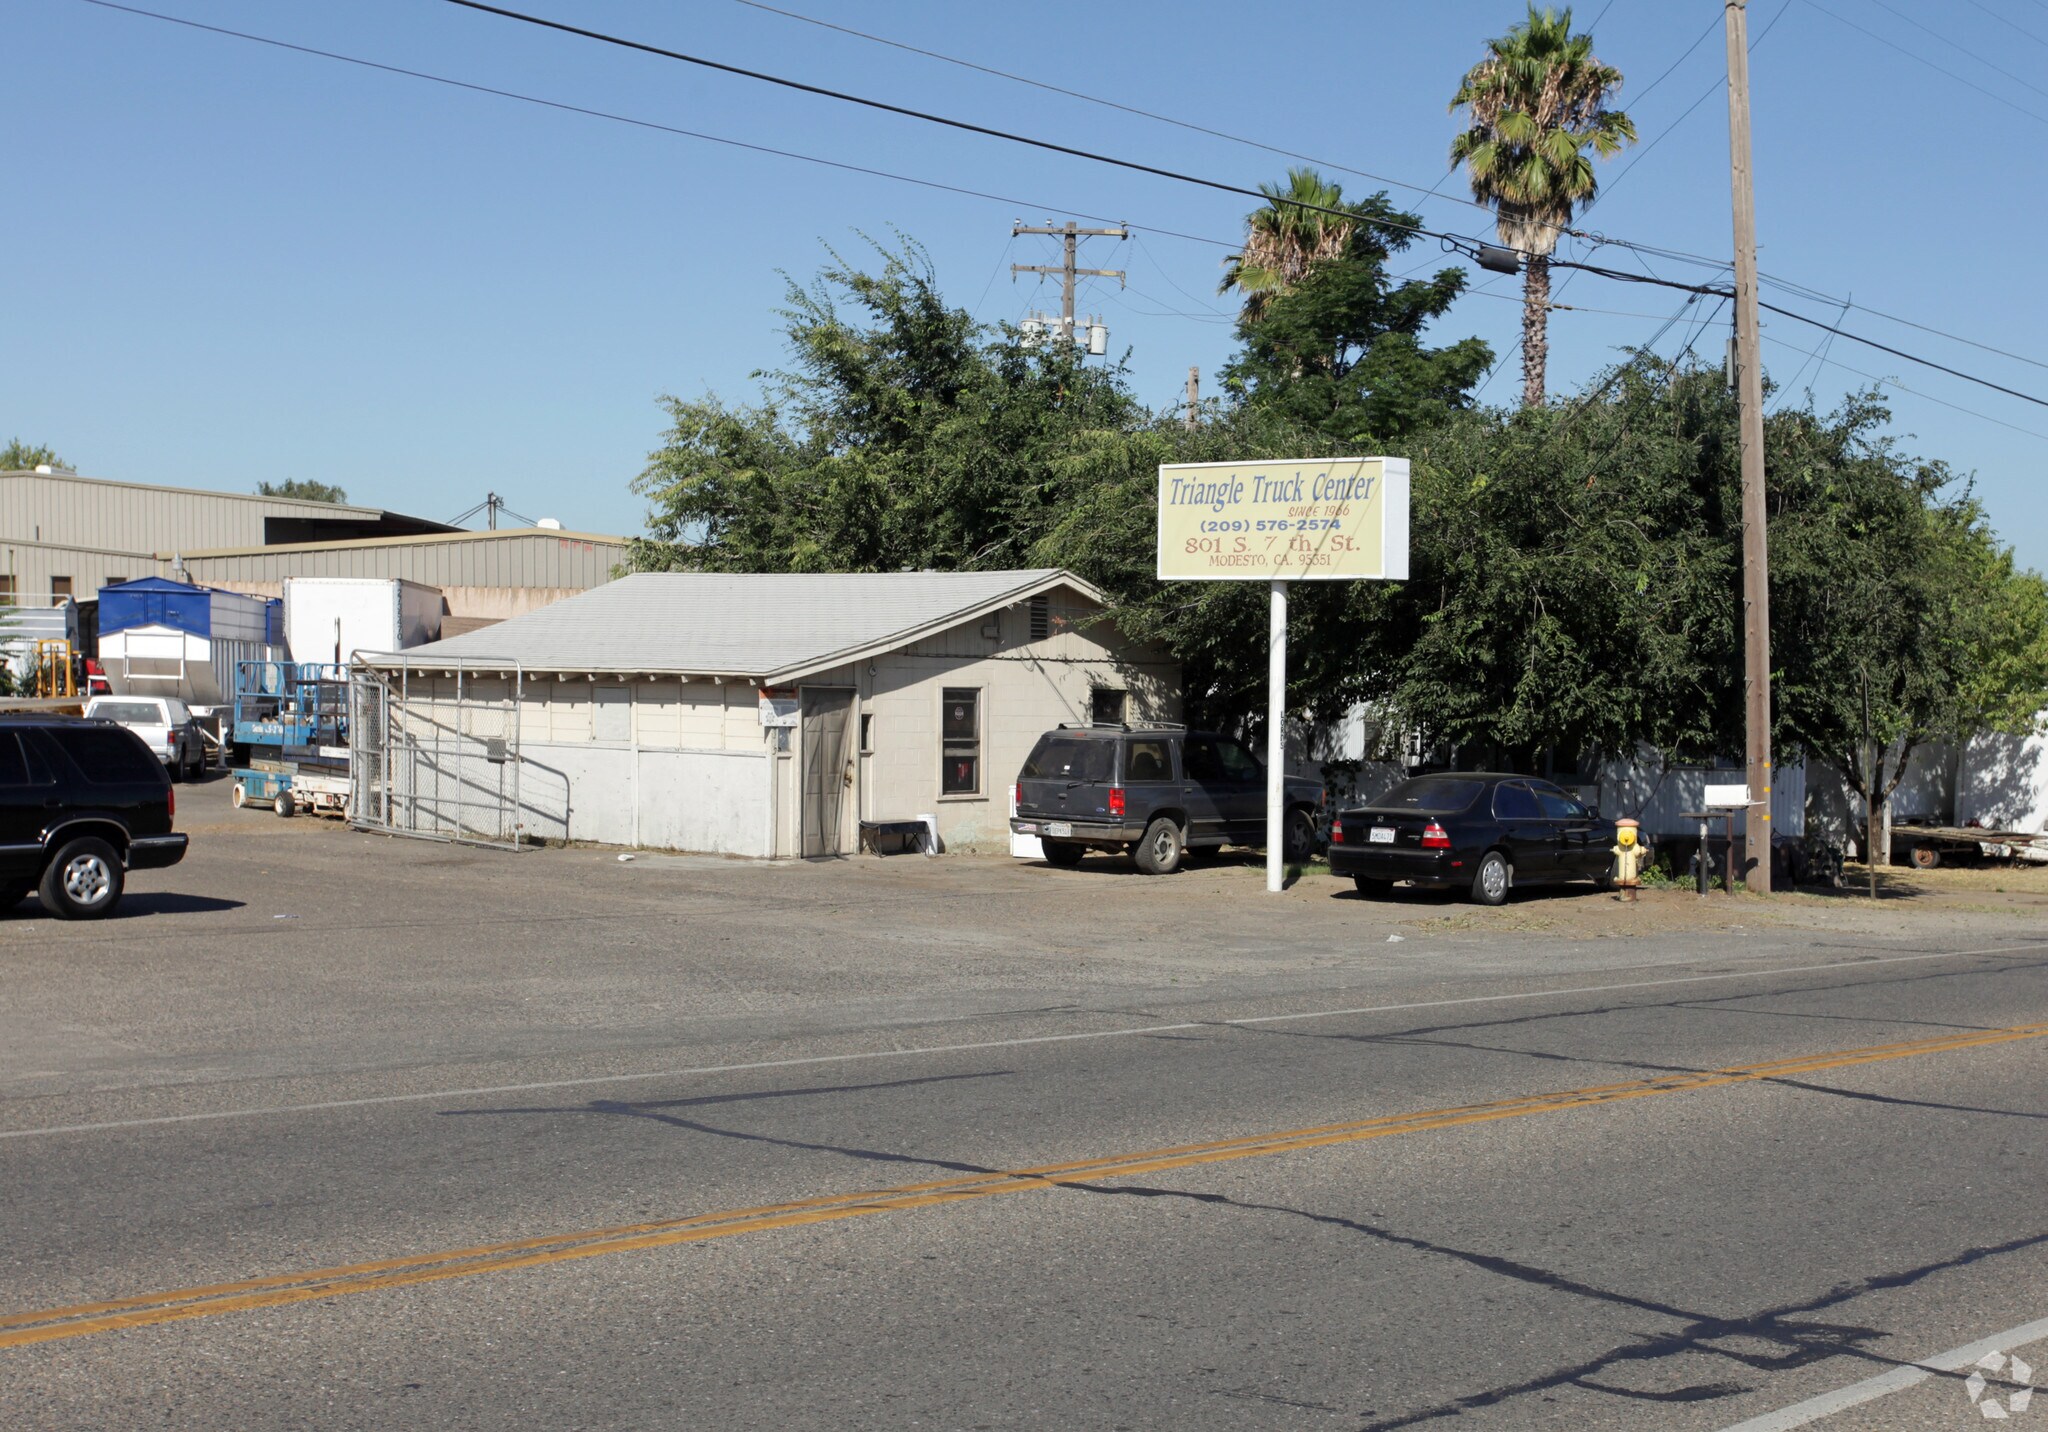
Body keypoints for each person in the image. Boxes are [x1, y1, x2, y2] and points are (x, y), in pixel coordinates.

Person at [1611, 818, 1647, 902]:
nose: (1626, 836)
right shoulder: (1633, 848)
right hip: (1626, 877)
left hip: (1623, 876)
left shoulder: (1624, 848)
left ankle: (1624, 894)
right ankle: (1628, 894)